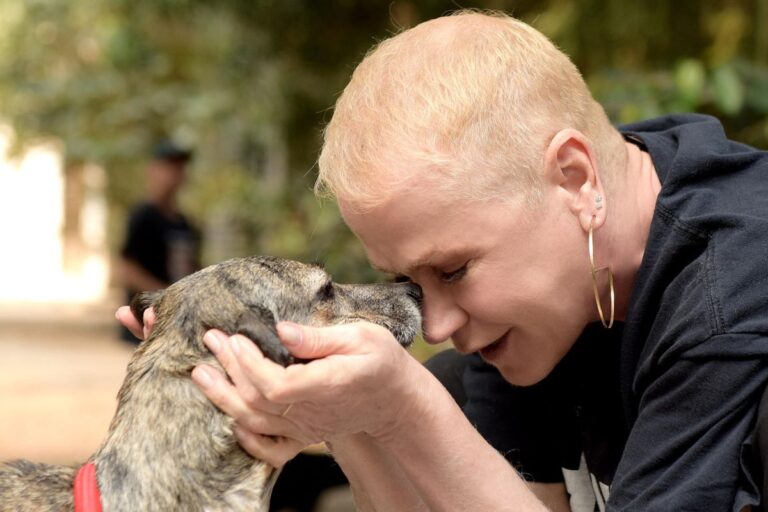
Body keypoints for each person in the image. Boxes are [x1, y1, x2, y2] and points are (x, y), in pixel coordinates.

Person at [118, 11, 768, 511]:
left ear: (575, 177)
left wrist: (404, 407)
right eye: (409, 281)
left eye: (453, 269)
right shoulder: (548, 305)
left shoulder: (731, 290)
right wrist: (342, 414)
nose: (435, 323)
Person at [118, 140, 200, 343]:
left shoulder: (185, 223)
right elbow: (127, 268)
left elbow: (192, 267)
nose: (175, 174)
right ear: (153, 170)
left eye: (179, 167)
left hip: (178, 319)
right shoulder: (143, 216)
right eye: (169, 166)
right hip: (145, 317)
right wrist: (163, 294)